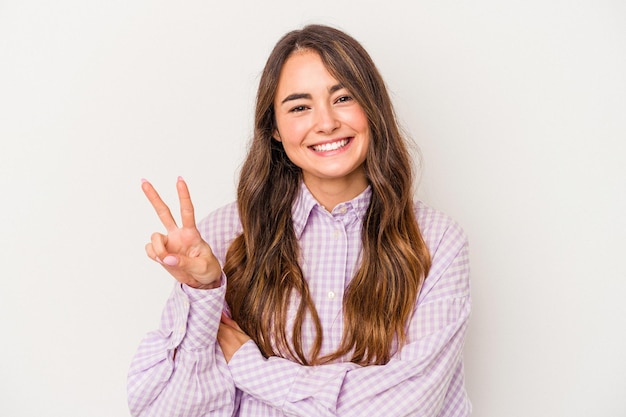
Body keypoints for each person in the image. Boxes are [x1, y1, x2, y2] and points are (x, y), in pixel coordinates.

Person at [127, 24, 471, 417]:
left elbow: (408, 407)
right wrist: (203, 293)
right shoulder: (223, 236)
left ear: (372, 108)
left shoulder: (437, 241)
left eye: (343, 97)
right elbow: (166, 412)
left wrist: (250, 368)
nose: (325, 123)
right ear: (273, 127)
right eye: (299, 106)